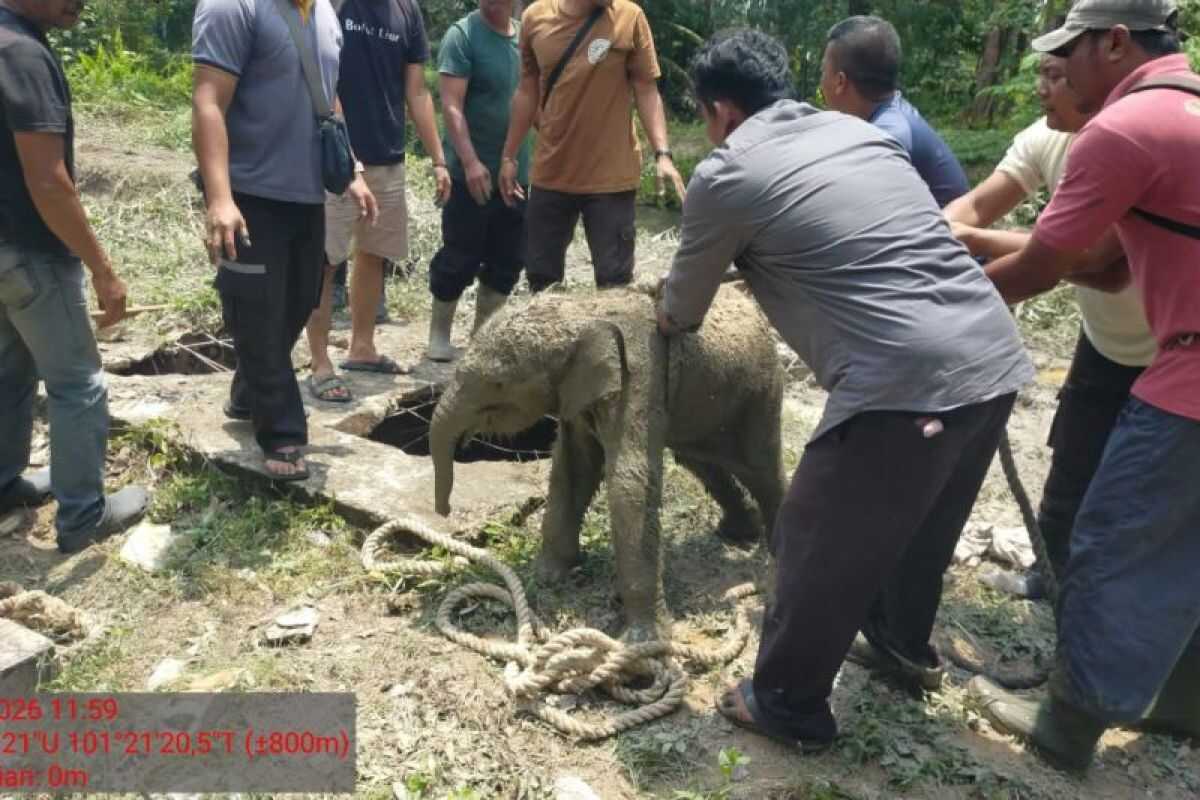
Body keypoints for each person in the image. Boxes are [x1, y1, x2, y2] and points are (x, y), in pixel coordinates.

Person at [656, 28, 1033, 750]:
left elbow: (682, 311)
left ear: (722, 112)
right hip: (991, 354)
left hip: (905, 380)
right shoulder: (857, 135)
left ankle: (787, 704)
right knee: (921, 524)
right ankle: (896, 643)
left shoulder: (725, 173)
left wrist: (669, 308)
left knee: (815, 532)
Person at [965, 0, 1200, 773]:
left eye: (1072, 54)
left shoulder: (1124, 128)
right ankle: (1181, 704)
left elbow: (1044, 267)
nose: (1060, 74)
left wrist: (938, 308)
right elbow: (1114, 263)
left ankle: (1065, 727)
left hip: (1191, 372)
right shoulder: (1184, 114)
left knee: (1115, 540)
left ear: (1117, 41)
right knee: (1184, 543)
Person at [944, 54, 1157, 599]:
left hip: (1170, 352)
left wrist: (975, 251)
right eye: (1039, 73)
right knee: (1072, 454)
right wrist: (933, 233)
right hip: (1105, 339)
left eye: (1058, 77)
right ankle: (1051, 576)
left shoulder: (1134, 143)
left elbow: (1103, 265)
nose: (1042, 88)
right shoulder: (1045, 138)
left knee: (1146, 483)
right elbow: (976, 204)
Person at [192, 0, 376, 480]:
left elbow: (328, 97)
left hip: (305, 190)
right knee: (257, 307)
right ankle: (282, 432)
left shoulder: (324, 14)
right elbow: (209, 99)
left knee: (299, 300)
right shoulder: (232, 8)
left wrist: (351, 168)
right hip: (249, 192)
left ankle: (247, 390)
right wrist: (219, 198)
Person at [0, 0, 149, 553]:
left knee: (10, 370)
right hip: (32, 252)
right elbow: (49, 182)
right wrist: (102, 269)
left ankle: (3, 484)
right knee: (78, 383)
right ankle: (84, 515)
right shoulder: (22, 55)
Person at [304, 0, 451, 397]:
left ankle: (362, 347)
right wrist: (348, 160)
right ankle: (319, 361)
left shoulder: (407, 11)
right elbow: (322, 80)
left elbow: (417, 91)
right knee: (325, 260)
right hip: (335, 158)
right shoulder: (333, 4)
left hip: (388, 155)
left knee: (373, 253)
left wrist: (439, 159)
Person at [497, 0, 685, 291]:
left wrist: (663, 153)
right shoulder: (536, 19)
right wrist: (509, 157)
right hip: (552, 173)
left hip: (612, 179)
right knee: (541, 280)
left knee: (615, 283)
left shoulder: (629, 17)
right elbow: (526, 91)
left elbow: (646, 89)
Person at [426, 0, 531, 361]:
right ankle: (439, 336)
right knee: (460, 254)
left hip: (517, 172)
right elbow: (451, 105)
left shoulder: (526, 40)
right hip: (470, 172)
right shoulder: (463, 36)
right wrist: (470, 162)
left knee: (509, 258)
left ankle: (483, 339)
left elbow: (535, 102)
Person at [820, 15, 969, 207]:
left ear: (840, 82)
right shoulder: (889, 116)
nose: (821, 81)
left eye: (823, 72)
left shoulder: (887, 136)